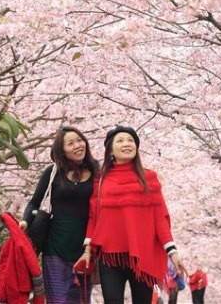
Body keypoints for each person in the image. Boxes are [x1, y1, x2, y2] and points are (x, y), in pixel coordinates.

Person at [75, 125, 187, 304]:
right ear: (111, 150)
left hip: (143, 255)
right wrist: (88, 250)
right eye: (120, 141)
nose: (126, 144)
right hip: (109, 256)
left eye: (130, 140)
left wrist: (173, 253)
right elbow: (94, 217)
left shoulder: (149, 177)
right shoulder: (101, 179)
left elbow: (160, 219)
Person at [20, 126, 100, 304]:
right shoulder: (53, 172)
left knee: (81, 299)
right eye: (71, 143)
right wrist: (25, 221)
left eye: (80, 140)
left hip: (85, 247)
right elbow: (34, 202)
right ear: (62, 151)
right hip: (56, 245)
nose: (78, 145)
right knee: (57, 299)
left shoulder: (97, 172)